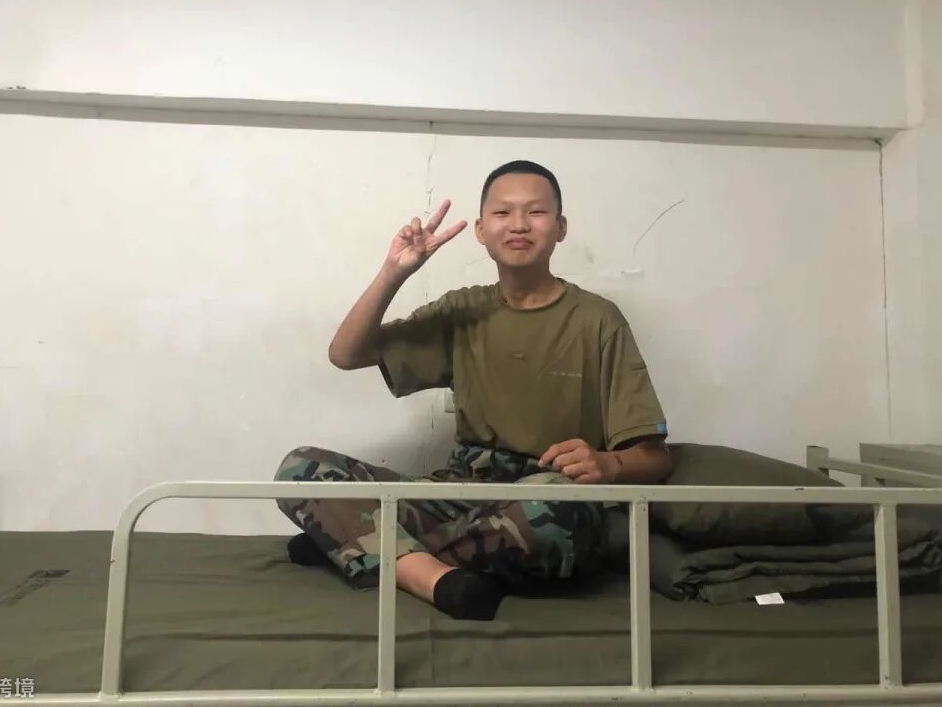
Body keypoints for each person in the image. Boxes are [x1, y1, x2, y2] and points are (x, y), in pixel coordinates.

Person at [275, 159, 672, 620]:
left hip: (543, 493)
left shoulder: (598, 320)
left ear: (561, 227)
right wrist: (393, 272)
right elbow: (345, 354)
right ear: (481, 231)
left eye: (536, 212)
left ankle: (361, 546)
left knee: (559, 513)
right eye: (502, 213)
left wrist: (607, 463)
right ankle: (430, 576)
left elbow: (656, 458)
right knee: (301, 467)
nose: (519, 224)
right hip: (459, 490)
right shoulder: (464, 310)